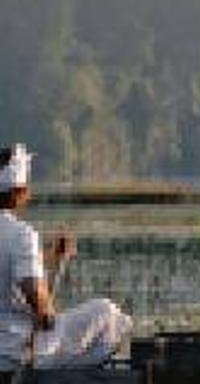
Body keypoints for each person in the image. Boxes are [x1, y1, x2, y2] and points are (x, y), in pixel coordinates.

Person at [0, 143, 131, 370]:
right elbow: (42, 311)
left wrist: (52, 258)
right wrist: (47, 313)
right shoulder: (21, 234)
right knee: (108, 313)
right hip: (16, 353)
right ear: (19, 192)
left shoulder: (18, 237)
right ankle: (74, 380)